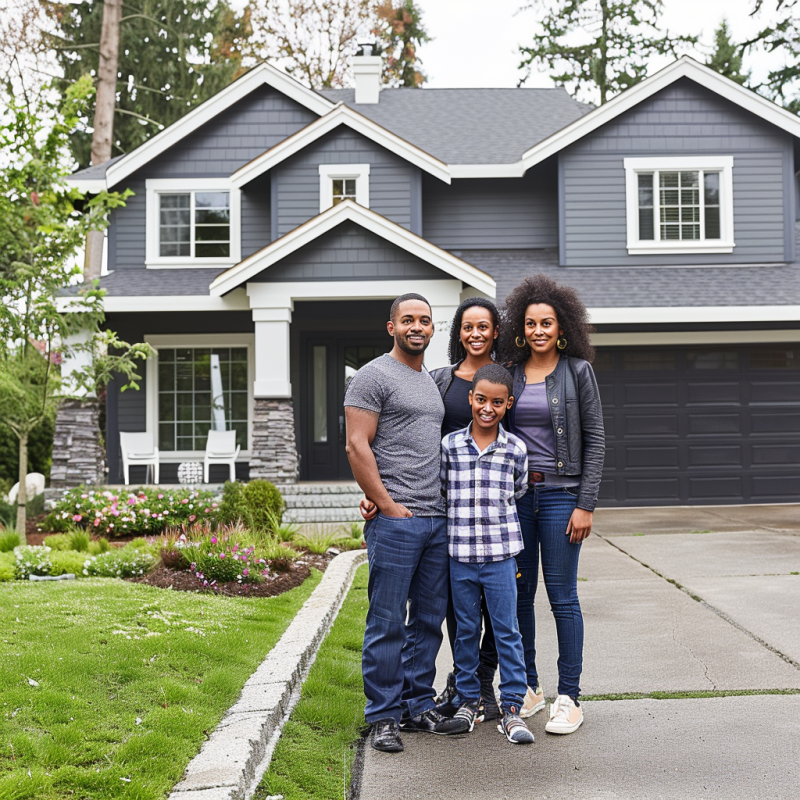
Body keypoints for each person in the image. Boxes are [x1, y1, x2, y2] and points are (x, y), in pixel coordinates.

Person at [344, 292, 469, 754]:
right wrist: (384, 503)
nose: (417, 326)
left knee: (428, 622)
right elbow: (357, 446)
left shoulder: (429, 381)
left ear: (434, 330)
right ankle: (383, 715)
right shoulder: (372, 376)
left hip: (437, 519)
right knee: (387, 621)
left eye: (425, 320)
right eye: (408, 320)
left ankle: (417, 706)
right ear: (391, 326)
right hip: (398, 520)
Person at [497, 274, 605, 735]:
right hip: (519, 499)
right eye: (531, 323)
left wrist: (586, 503)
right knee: (519, 596)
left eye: (548, 323)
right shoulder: (510, 373)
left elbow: (596, 440)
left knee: (562, 597)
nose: (539, 330)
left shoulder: (578, 371)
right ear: (521, 329)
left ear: (562, 328)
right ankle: (529, 688)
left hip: (563, 498)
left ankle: (570, 696)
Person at [441, 364, 534, 745]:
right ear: (470, 399)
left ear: (507, 404)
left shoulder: (515, 450)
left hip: (500, 557)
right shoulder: (449, 447)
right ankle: (469, 701)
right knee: (465, 631)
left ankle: (512, 707)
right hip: (460, 556)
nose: (488, 408)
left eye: (497, 402)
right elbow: (444, 492)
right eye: (481, 400)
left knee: (507, 630)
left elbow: (519, 490)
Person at [430, 298, 502, 721]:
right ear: (459, 332)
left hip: (498, 513)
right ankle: (463, 682)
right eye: (468, 327)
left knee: (498, 606)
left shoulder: (506, 379)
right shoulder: (440, 381)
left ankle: (486, 687)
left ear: (495, 332)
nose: (476, 334)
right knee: (460, 606)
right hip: (452, 509)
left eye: (484, 327)